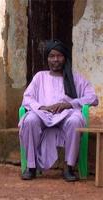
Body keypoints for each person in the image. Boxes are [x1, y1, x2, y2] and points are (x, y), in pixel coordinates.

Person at [19, 39, 99, 182]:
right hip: (42, 115)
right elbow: (27, 98)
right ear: (47, 59)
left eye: (59, 56)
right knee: (30, 119)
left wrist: (70, 104)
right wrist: (42, 107)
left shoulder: (75, 78)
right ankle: (31, 167)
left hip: (66, 115)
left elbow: (93, 98)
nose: (55, 60)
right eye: (52, 56)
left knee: (75, 120)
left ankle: (69, 167)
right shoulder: (40, 77)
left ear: (65, 57)